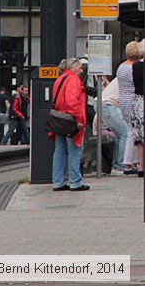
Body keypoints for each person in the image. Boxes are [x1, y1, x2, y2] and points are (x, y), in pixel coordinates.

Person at [49, 58, 89, 191]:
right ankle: (75, 182)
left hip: (59, 119)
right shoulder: (73, 80)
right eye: (79, 67)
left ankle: (58, 182)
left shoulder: (60, 79)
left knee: (59, 151)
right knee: (74, 150)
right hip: (70, 120)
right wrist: (78, 120)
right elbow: (72, 102)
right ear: (72, 67)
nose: (81, 70)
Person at [117, 40, 143, 175]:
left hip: (123, 100)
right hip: (133, 100)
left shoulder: (121, 67)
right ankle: (127, 163)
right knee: (133, 133)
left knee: (130, 131)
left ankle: (132, 161)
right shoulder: (132, 68)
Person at [99, 76, 127, 174]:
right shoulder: (129, 77)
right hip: (107, 104)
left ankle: (116, 166)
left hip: (102, 103)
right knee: (124, 133)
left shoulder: (122, 76)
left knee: (119, 135)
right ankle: (120, 166)